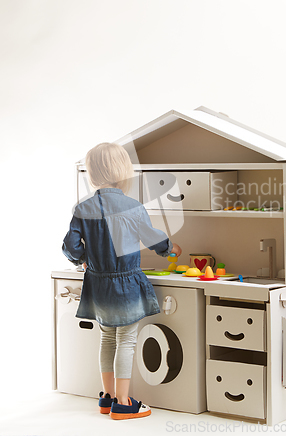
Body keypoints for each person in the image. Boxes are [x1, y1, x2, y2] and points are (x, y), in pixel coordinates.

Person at [62, 142, 181, 420]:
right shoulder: (133, 206)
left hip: (98, 283)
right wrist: (171, 248)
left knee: (107, 338)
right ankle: (124, 402)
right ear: (122, 171)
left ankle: (107, 397)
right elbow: (153, 238)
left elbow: (70, 245)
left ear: (93, 174)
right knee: (126, 340)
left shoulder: (83, 208)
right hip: (125, 284)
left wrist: (81, 260)